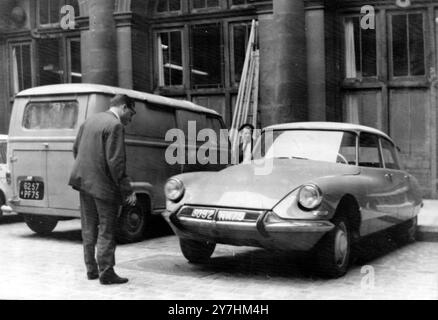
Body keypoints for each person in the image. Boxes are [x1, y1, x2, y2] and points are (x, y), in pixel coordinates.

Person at [68, 94, 137, 285]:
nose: (130, 119)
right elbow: (116, 163)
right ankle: (106, 271)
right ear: (124, 107)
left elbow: (76, 149)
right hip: (104, 187)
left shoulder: (90, 121)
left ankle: (91, 270)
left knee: (88, 227)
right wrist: (127, 190)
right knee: (107, 228)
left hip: (84, 183)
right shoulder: (115, 126)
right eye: (131, 113)